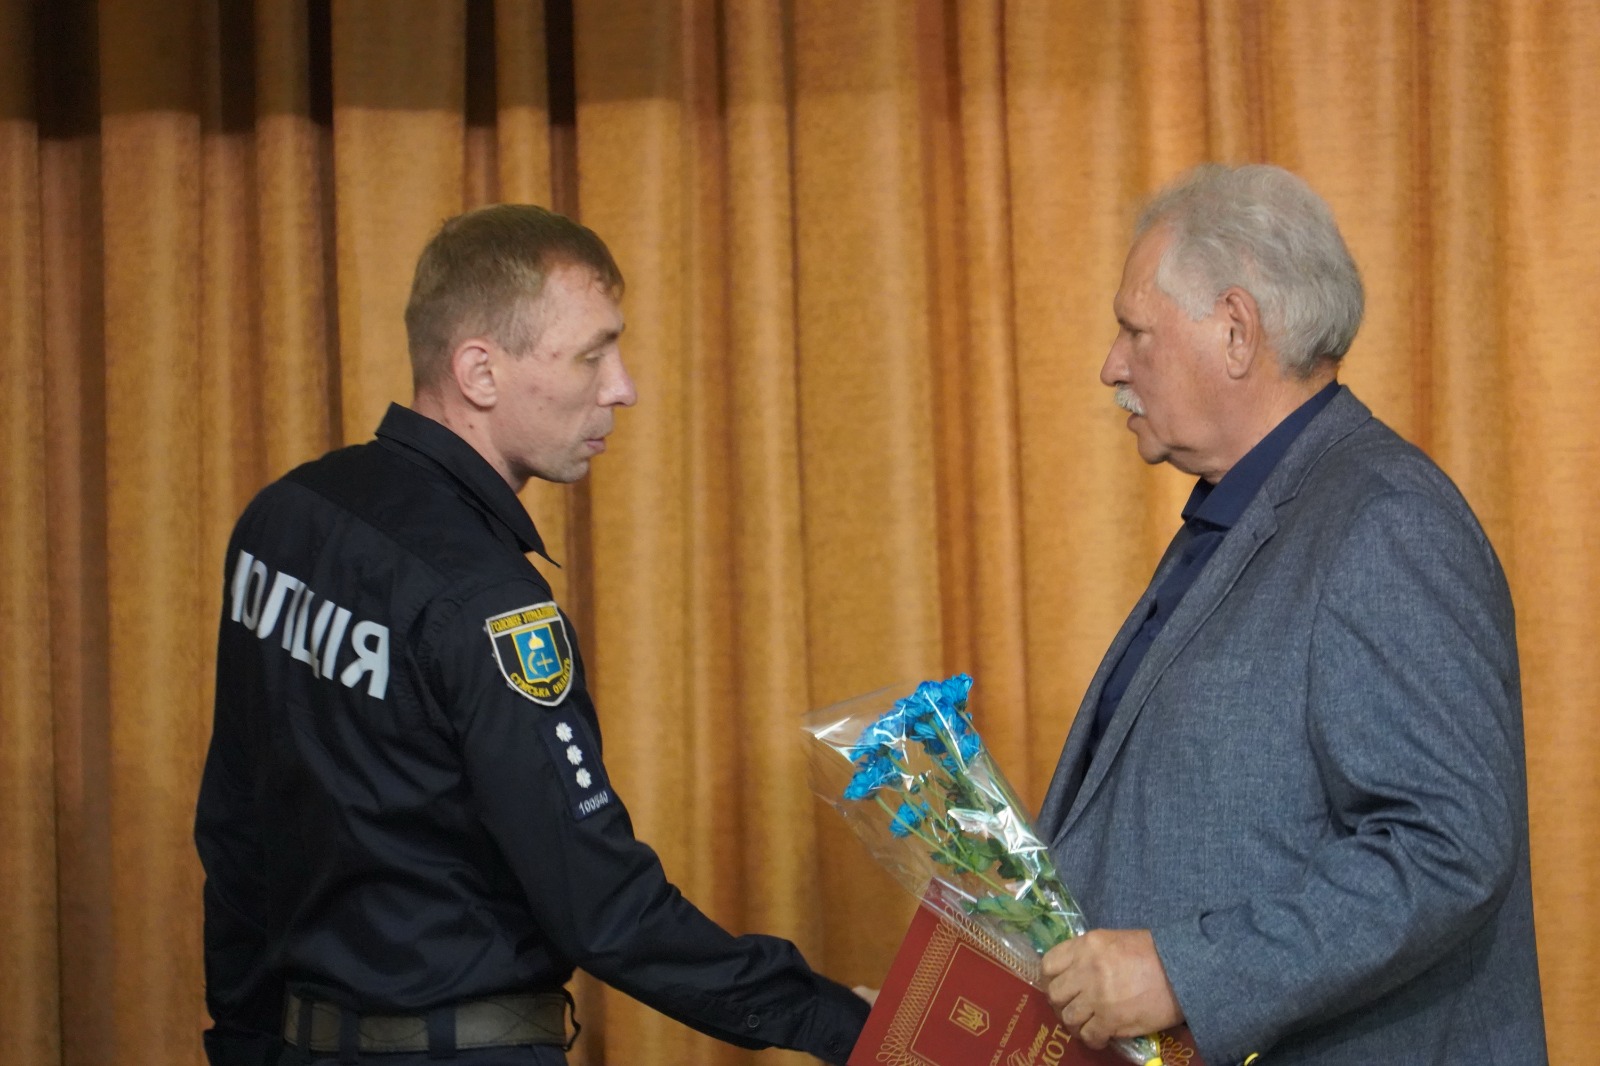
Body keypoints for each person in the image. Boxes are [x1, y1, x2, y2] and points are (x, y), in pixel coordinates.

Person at [195, 204, 870, 1066]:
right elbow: (606, 910)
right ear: (480, 371)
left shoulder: (285, 515)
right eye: (593, 354)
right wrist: (838, 1024)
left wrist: (245, 1041)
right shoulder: (492, 607)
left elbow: (235, 831)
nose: (622, 387)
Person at [1035, 164, 1547, 1065]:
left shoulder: (1384, 520)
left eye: (1135, 331)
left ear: (1236, 331)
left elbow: (1447, 846)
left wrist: (1186, 973)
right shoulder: (1242, 513)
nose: (1111, 366)